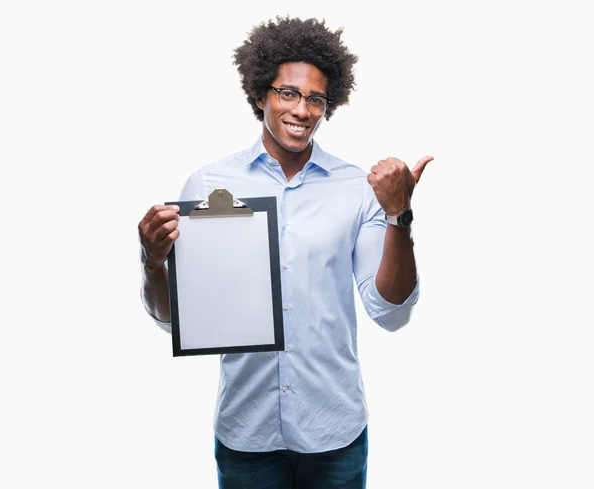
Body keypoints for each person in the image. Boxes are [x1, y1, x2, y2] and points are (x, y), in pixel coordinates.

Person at [138, 16, 433, 489]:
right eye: (287, 93)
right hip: (247, 432)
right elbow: (176, 320)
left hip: (333, 430)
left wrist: (398, 214)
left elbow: (391, 312)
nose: (301, 109)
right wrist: (153, 262)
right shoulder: (209, 185)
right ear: (260, 96)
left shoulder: (356, 188)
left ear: (328, 105)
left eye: (315, 98)